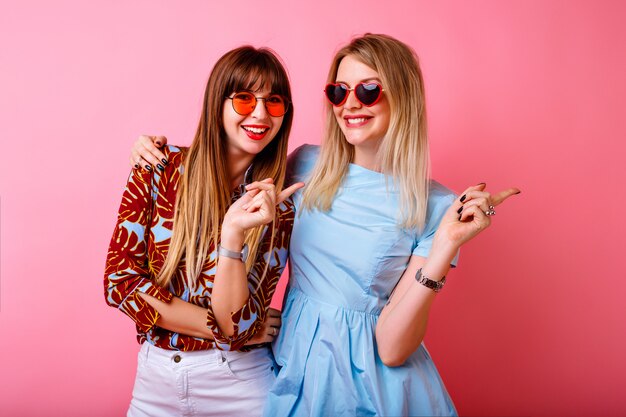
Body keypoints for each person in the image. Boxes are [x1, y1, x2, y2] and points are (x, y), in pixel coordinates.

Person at [131, 34, 520, 416]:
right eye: (339, 91)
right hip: (294, 370)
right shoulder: (304, 166)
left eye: (368, 91)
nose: (350, 104)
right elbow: (226, 178)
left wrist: (446, 245)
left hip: (375, 387)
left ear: (404, 96)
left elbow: (391, 349)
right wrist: (159, 157)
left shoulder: (436, 206)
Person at [104, 45, 303, 417]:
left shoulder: (278, 207)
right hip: (155, 381)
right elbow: (120, 284)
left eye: (274, 102)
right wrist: (223, 330)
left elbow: (237, 322)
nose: (260, 113)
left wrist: (232, 236)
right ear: (218, 102)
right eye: (244, 99)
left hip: (240, 383)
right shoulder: (158, 169)